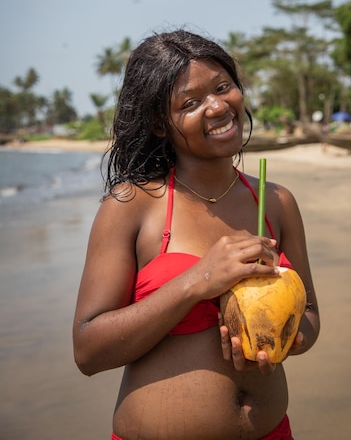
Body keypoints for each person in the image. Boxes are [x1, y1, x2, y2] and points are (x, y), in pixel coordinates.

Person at [73, 29, 320, 440]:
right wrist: (197, 280)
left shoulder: (276, 201)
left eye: (223, 87)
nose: (218, 106)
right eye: (191, 102)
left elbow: (309, 312)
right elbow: (88, 351)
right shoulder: (133, 204)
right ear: (158, 124)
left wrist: (287, 338)